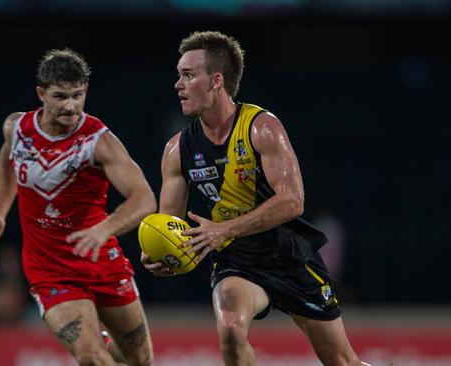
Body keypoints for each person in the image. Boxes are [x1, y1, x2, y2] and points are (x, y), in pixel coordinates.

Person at [142, 31, 368, 366]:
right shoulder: (177, 150)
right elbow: (170, 225)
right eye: (179, 75)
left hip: (288, 253)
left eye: (188, 75)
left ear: (216, 80)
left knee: (342, 362)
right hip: (237, 262)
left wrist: (224, 229)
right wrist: (165, 258)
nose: (178, 84)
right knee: (231, 328)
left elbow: (292, 201)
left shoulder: (261, 127)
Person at [0, 49, 156, 366]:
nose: (71, 106)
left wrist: (104, 229)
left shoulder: (99, 142)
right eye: (60, 96)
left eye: (78, 95)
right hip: (50, 270)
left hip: (102, 263)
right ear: (41, 94)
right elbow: (8, 159)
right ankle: (94, 342)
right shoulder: (16, 128)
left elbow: (144, 198)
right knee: (91, 358)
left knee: (139, 360)